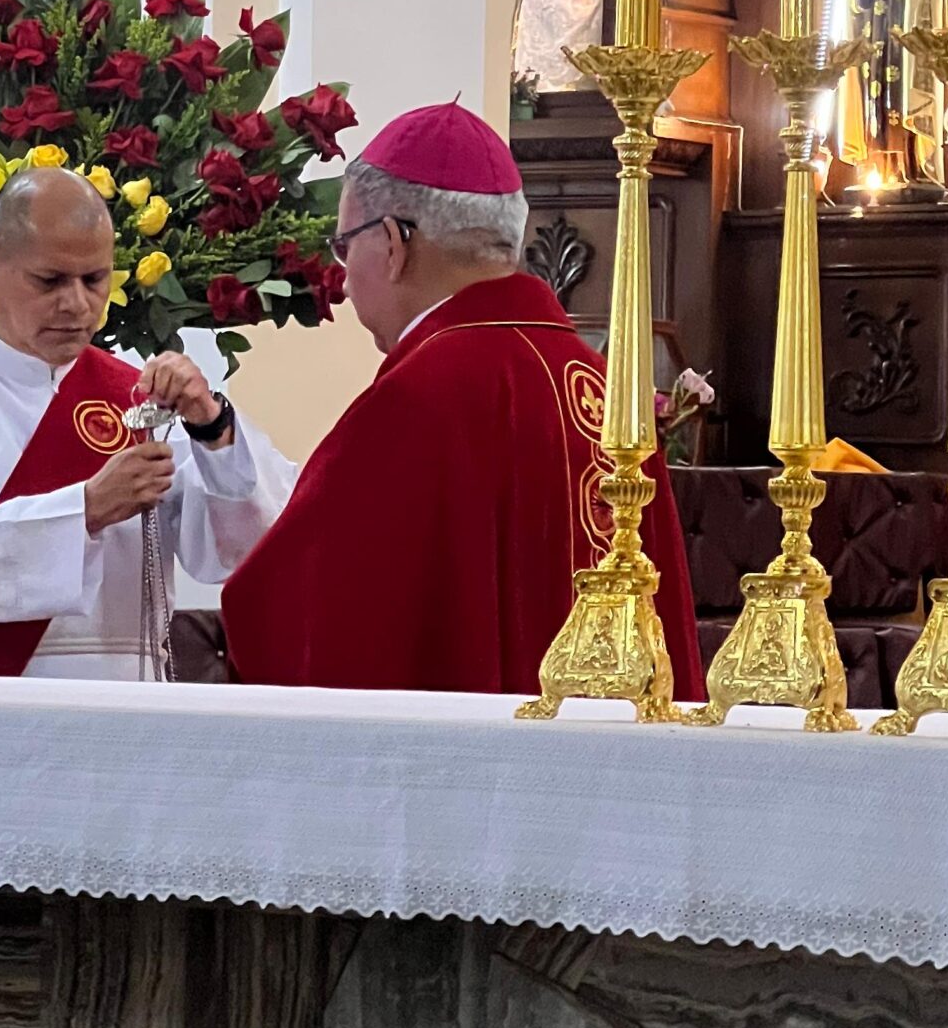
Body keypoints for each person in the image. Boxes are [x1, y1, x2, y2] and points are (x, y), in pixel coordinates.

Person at [222, 101, 704, 698]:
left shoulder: (417, 400)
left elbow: (296, 614)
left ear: (394, 242)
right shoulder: (603, 384)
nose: (343, 279)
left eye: (346, 246)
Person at [0, 163, 296, 677]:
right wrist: (84, 509)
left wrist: (211, 427)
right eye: (50, 280)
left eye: (94, 279)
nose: (77, 304)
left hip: (135, 698)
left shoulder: (138, 395)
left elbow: (236, 550)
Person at [837, 0, 947, 188]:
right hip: (879, 40)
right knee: (877, 101)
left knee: (902, 100)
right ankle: (878, 168)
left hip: (907, 43)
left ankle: (910, 169)